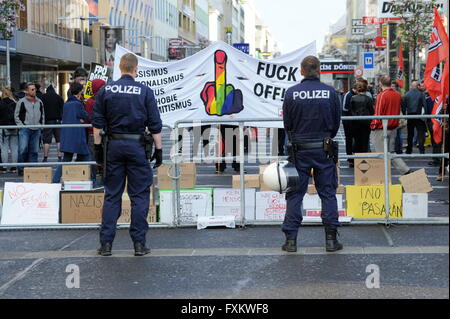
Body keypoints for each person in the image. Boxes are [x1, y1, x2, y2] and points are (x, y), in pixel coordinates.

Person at [93, 53, 163, 257]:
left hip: (113, 146)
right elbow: (155, 125)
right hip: (137, 147)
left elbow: (97, 125)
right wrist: (158, 150)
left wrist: (98, 150)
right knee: (139, 196)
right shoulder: (145, 91)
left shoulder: (106, 90)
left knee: (112, 195)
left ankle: (106, 244)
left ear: (120, 68)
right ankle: (139, 244)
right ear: (135, 69)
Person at [281, 56, 342, 253]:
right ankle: (331, 240)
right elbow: (336, 121)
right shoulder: (330, 92)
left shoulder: (291, 93)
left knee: (295, 194)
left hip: (299, 150)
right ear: (319, 70)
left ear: (301, 71)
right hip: (324, 148)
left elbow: (287, 124)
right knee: (327, 193)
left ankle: (291, 240)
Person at [370, 76, 412, 175]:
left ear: (381, 84)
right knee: (390, 152)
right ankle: (405, 170)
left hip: (382, 128)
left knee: (380, 154)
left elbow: (378, 113)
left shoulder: (381, 95)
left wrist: (374, 125)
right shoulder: (397, 95)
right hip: (393, 127)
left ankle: (381, 177)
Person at [52, 83, 91, 183]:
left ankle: (55, 181)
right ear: (79, 92)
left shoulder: (67, 103)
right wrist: (82, 119)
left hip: (68, 136)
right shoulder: (78, 104)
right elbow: (86, 116)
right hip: (77, 136)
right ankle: (92, 182)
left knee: (66, 159)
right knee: (87, 158)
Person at [14, 83, 45, 176]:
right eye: (32, 89)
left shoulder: (39, 101)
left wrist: (41, 126)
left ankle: (32, 170)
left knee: (34, 151)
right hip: (25, 129)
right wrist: (21, 126)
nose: (34, 91)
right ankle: (21, 169)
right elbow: (16, 115)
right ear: (26, 91)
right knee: (23, 149)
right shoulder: (21, 102)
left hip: (36, 129)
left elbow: (42, 115)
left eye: (34, 89)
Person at [84, 78, 106, 182]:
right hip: (98, 132)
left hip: (93, 133)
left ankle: (93, 179)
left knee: (95, 156)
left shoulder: (89, 101)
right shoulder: (97, 101)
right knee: (99, 156)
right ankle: (99, 177)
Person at [349, 81, 374, 154]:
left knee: (357, 142)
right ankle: (364, 160)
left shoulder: (353, 98)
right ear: (366, 89)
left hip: (355, 122)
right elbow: (372, 111)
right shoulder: (368, 99)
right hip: (366, 123)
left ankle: (356, 160)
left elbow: (350, 110)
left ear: (357, 89)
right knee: (365, 142)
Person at [403, 81, 427, 154]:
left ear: (411, 86)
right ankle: (421, 150)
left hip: (410, 116)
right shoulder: (421, 94)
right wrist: (426, 115)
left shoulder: (406, 94)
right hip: (419, 116)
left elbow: (403, 107)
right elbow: (425, 105)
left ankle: (409, 150)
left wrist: (404, 116)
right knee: (420, 133)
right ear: (418, 86)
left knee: (410, 134)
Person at [41, 85, 64, 162]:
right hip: (58, 121)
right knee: (59, 139)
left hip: (48, 121)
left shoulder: (43, 97)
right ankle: (59, 157)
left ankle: (45, 157)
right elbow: (62, 109)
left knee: (46, 140)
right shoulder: (58, 97)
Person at [0, 88, 19, 173]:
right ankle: (14, 167)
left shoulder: (1, 103)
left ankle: (4, 167)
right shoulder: (15, 103)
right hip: (14, 127)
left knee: (4, 148)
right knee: (14, 148)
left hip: (3, 128)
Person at [342, 83, 357, 167]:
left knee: (355, 139)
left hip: (354, 121)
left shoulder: (356, 95)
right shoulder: (348, 94)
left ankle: (354, 156)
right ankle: (350, 157)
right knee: (349, 139)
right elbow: (344, 108)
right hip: (348, 121)